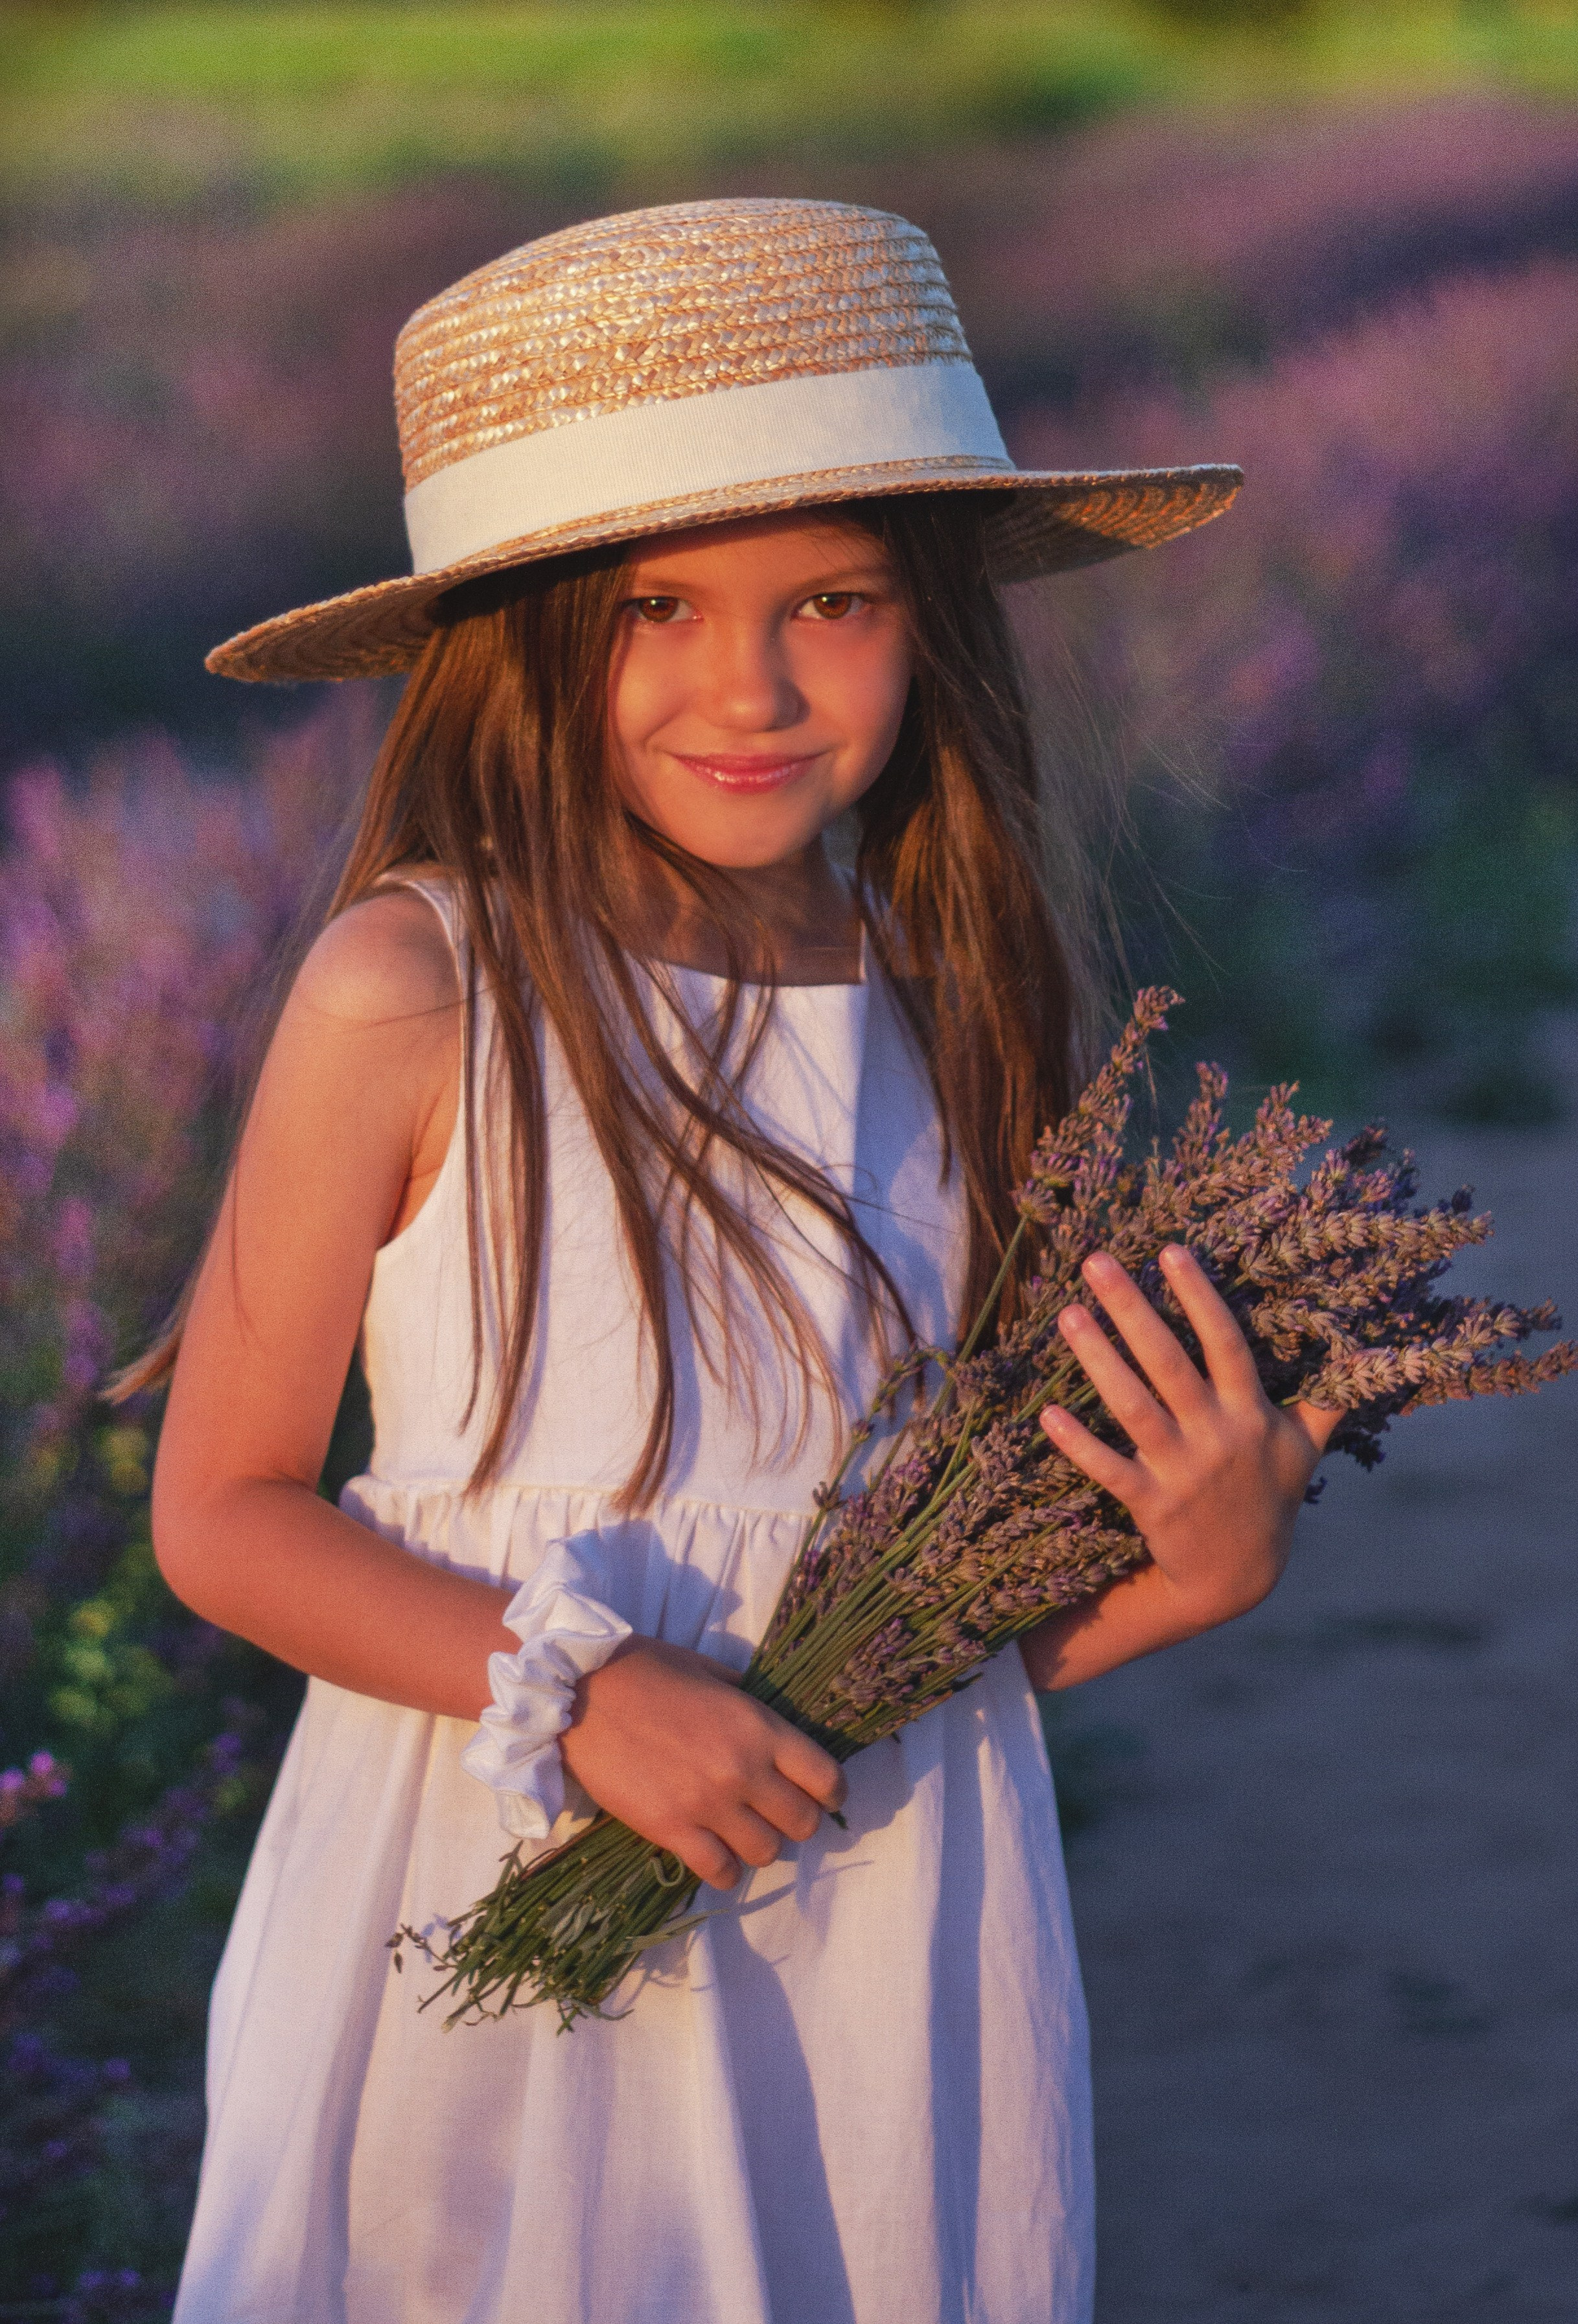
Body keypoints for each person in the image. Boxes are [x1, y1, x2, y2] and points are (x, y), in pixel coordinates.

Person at [141, 198, 1338, 2324]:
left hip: (864, 1931)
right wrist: (581, 1687)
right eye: (656, 605)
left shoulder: (945, 1001)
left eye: (837, 597)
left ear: (929, 617)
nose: (752, 682)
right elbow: (222, 1515)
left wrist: (1190, 1570)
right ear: (514, 634)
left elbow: (906, 1648)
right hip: (480, 1908)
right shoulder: (416, 988)